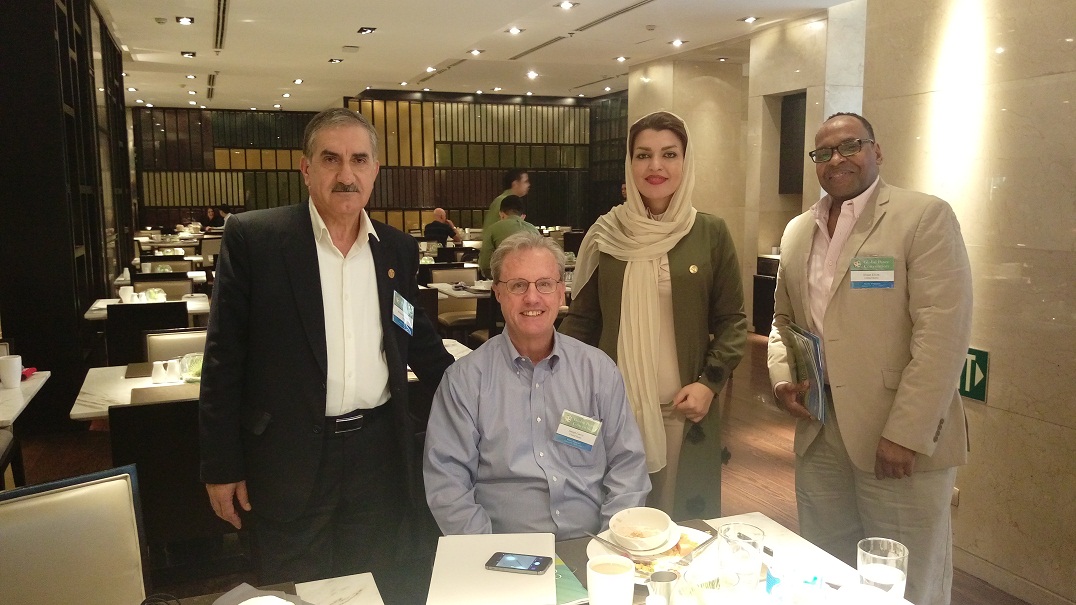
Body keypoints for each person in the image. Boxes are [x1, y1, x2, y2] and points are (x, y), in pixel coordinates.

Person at [199, 108, 455, 592]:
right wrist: (221, 466)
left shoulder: (396, 249)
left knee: (373, 584)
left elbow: (418, 340)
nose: (346, 174)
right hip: (289, 456)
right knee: (297, 587)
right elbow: (223, 361)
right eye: (331, 159)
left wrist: (490, 393)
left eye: (359, 160)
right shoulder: (257, 239)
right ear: (306, 168)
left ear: (375, 170)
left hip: (378, 455)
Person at [767, 112, 972, 605]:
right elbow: (782, 322)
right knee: (826, 569)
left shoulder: (923, 217)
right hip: (820, 432)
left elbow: (942, 336)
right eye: (823, 153)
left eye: (850, 146)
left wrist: (906, 433)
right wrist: (782, 378)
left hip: (895, 439)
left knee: (905, 580)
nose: (836, 159)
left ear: (876, 151)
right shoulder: (797, 231)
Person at [559, 111, 746, 521]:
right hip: (611, 405)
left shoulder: (710, 233)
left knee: (676, 521)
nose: (655, 166)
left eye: (669, 154)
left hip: (683, 408)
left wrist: (709, 384)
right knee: (613, 516)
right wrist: (559, 382)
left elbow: (732, 321)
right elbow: (582, 322)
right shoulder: (606, 234)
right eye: (643, 155)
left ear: (686, 161)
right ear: (630, 163)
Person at [424, 231, 650, 539]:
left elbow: (628, 467)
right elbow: (447, 484)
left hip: (592, 546)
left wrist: (611, 542)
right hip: (502, 551)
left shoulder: (598, 371)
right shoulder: (464, 381)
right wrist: (487, 553)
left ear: (561, 294)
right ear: (498, 293)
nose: (532, 298)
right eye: (518, 285)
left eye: (544, 284)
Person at [477, 195, 538, 278]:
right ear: (522, 216)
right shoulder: (533, 229)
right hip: (532, 278)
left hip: (505, 279)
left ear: (501, 214)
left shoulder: (493, 229)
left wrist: (495, 278)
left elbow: (485, 264)